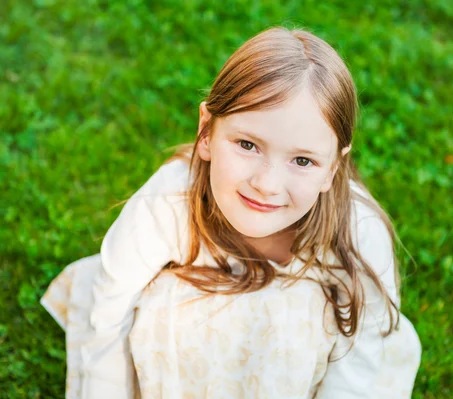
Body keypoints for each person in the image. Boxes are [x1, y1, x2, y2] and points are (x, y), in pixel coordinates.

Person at [41, 26, 422, 398]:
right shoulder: (170, 201)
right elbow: (109, 317)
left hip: (293, 359)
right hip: (187, 344)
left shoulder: (359, 233)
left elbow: (358, 358)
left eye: (303, 161)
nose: (267, 184)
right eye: (247, 144)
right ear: (206, 131)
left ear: (333, 168)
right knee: (158, 307)